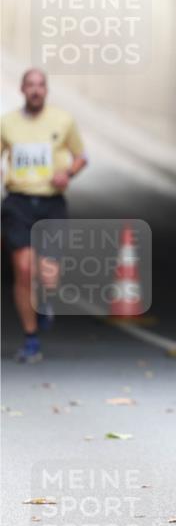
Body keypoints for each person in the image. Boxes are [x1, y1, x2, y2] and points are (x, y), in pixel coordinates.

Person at [1, 69, 87, 362]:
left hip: (51, 203)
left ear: (46, 90)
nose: (35, 90)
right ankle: (31, 338)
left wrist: (68, 173)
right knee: (24, 270)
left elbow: (82, 156)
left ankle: (46, 301)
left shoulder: (63, 120)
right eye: (30, 85)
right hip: (18, 203)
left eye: (40, 85)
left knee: (49, 274)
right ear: (22, 89)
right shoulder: (7, 123)